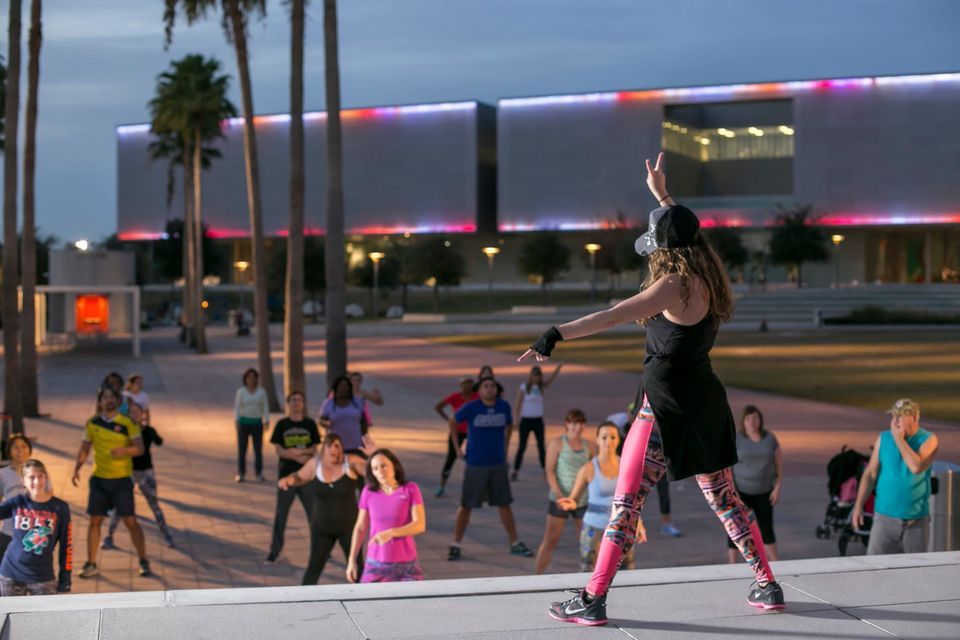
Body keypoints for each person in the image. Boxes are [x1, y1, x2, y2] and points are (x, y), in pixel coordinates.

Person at [522, 152, 783, 626]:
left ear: (664, 251)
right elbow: (686, 229)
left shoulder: (673, 284)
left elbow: (612, 314)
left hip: (661, 410)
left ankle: (593, 597)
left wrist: (554, 333)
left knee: (625, 505)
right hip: (705, 401)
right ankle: (767, 584)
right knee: (726, 500)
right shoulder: (707, 273)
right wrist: (662, 195)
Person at [448, 376, 534, 561]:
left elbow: (510, 425)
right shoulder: (471, 407)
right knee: (466, 505)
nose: (489, 389)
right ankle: (456, 544)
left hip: (497, 464)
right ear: (479, 391)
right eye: (485, 386)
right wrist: (457, 447)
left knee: (504, 504)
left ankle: (515, 543)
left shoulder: (504, 407)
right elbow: (453, 421)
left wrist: (506, 444)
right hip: (475, 464)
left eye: (492, 386)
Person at [72, 386, 151, 579]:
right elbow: (85, 448)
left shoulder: (127, 423)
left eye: (112, 397)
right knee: (95, 520)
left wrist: (124, 451)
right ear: (99, 402)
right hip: (99, 480)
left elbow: (139, 448)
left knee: (130, 521)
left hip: (121, 481)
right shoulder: (92, 423)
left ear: (117, 401)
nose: (108, 400)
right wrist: (77, 467)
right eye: (104, 397)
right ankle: (91, 563)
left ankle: (143, 560)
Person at [278, 432, 368, 584]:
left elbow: (371, 471)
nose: (334, 449)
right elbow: (300, 477)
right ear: (323, 449)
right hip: (321, 528)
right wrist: (290, 480)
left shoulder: (350, 462)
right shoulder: (315, 464)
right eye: (330, 446)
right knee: (314, 568)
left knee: (357, 567)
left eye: (337, 446)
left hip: (348, 529)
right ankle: (303, 602)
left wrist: (372, 456)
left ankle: (367, 599)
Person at [852, 398, 938, 555]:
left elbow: (916, 467)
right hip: (884, 519)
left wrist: (899, 439)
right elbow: (870, 473)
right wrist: (858, 506)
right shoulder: (884, 438)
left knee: (915, 572)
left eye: (901, 416)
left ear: (915, 417)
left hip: (915, 522)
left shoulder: (928, 440)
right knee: (876, 570)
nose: (895, 421)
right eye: (893, 416)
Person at [558, 421, 642, 573]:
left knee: (628, 569)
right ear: (597, 440)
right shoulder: (588, 468)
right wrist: (570, 503)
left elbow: (633, 500)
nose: (608, 442)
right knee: (588, 571)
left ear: (618, 440)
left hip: (622, 527)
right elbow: (574, 499)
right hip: (594, 528)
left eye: (612, 437)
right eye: (604, 438)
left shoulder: (625, 466)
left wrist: (639, 524)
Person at [102, 401, 175, 550]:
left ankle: (166, 535)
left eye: (138, 412)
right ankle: (109, 536)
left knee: (153, 504)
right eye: (132, 412)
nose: (135, 414)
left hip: (146, 472)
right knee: (119, 505)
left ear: (143, 414)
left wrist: (151, 432)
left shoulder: (147, 430)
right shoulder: (125, 430)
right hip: (128, 472)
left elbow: (159, 441)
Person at [347, 449, 426, 583]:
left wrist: (391, 533)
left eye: (383, 465)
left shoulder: (410, 489)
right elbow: (360, 527)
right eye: (375, 468)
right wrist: (351, 560)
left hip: (406, 565)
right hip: (375, 563)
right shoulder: (368, 491)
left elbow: (420, 525)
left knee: (412, 603)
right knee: (365, 601)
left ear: (394, 465)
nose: (380, 471)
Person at [535, 408, 595, 574]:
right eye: (574, 423)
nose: (577, 427)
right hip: (559, 499)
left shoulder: (589, 446)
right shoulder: (558, 443)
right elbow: (549, 471)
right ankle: (537, 576)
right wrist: (560, 495)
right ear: (567, 424)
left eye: (581, 423)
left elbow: (594, 471)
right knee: (551, 539)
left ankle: (590, 577)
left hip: (582, 500)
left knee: (586, 541)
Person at [607, 406, 682, 537]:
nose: (636, 416)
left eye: (638, 413)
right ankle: (623, 521)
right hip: (630, 461)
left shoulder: (650, 422)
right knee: (628, 493)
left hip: (651, 459)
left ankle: (666, 524)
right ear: (628, 414)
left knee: (663, 490)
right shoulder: (618, 424)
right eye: (633, 414)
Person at [0, 459, 72, 596]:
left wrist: (65, 580)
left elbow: (66, 546)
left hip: (43, 576)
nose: (37, 482)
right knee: (8, 617)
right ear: (23, 481)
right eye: (31, 477)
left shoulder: (59, 507)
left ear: (46, 477)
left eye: (40, 476)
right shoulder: (18, 502)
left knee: (47, 617)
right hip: (11, 574)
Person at [266, 390, 321, 563]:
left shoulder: (310, 424)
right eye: (293, 400)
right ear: (288, 404)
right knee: (281, 515)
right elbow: (279, 449)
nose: (296, 402)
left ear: (303, 404)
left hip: (307, 479)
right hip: (286, 478)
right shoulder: (282, 424)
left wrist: (300, 452)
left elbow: (314, 448)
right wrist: (298, 457)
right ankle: (275, 550)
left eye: (299, 399)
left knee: (314, 515)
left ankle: (321, 549)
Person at [728, 405, 782, 563]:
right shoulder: (737, 439)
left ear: (760, 420)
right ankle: (732, 563)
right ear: (743, 422)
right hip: (741, 491)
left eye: (755, 418)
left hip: (765, 491)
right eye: (748, 419)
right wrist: (734, 492)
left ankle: (776, 562)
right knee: (737, 527)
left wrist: (777, 488)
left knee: (766, 528)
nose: (752, 422)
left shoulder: (769, 438)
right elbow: (728, 468)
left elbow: (779, 465)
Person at [0, 435, 53, 559]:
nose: (20, 451)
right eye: (15, 447)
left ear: (29, 450)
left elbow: (49, 501)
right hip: (9, 532)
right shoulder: (3, 474)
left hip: (34, 534)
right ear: (9, 451)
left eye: (24, 446)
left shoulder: (40, 473)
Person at [512, 363, 564, 481]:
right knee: (522, 446)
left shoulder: (541, 387)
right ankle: (515, 470)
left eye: (539, 376)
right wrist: (516, 418)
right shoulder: (524, 387)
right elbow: (518, 404)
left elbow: (551, 379)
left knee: (541, 446)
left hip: (538, 420)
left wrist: (558, 368)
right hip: (526, 420)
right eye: (535, 376)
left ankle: (545, 470)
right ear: (531, 376)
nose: (537, 378)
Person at [433, 376, 478, 497]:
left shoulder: (476, 396)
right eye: (464, 383)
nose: (467, 386)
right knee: (451, 458)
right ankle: (441, 485)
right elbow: (438, 407)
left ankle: (474, 486)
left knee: (473, 459)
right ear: (460, 385)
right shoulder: (455, 397)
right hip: (456, 432)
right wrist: (448, 420)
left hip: (472, 432)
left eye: (469, 383)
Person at [234, 368, 270, 482]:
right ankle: (241, 472)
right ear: (245, 379)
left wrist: (266, 420)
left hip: (257, 423)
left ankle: (259, 472)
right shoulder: (241, 391)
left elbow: (265, 406)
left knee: (258, 449)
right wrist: (236, 420)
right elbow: (237, 407)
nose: (251, 379)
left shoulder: (261, 392)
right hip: (244, 423)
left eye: (253, 377)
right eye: (249, 377)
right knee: (242, 449)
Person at [319, 375, 367, 456]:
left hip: (356, 446)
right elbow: (321, 420)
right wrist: (326, 423)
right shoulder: (328, 404)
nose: (344, 388)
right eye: (340, 386)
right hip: (336, 446)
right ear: (336, 388)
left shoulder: (358, 402)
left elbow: (363, 422)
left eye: (346, 386)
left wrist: (365, 440)